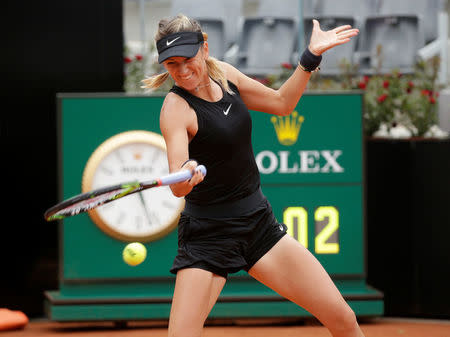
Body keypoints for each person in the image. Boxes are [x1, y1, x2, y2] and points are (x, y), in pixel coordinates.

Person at [142, 14, 363, 337]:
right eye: (171, 64)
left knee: (343, 319)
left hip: (258, 224)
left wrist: (310, 57)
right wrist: (185, 174)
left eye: (187, 59)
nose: (182, 70)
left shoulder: (225, 75)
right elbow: (178, 185)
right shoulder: (175, 108)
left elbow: (281, 103)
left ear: (204, 48)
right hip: (208, 236)